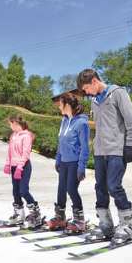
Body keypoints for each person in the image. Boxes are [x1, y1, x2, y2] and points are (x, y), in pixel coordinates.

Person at [77, 68, 132, 244]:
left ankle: (128, 226)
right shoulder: (95, 102)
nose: (86, 93)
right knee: (100, 188)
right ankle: (106, 225)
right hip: (100, 152)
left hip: (116, 151)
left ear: (94, 82)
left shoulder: (118, 93)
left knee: (114, 187)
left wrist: (129, 145)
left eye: (87, 89)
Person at [48, 93, 90, 234]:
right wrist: (58, 159)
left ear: (67, 104)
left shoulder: (82, 123)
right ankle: (60, 217)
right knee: (61, 189)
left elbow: (85, 146)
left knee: (71, 189)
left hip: (74, 162)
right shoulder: (64, 121)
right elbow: (61, 142)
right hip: (64, 162)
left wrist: (82, 166)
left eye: (60, 104)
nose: (59, 106)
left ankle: (79, 220)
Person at [3, 115, 42, 229]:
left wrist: (20, 167)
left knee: (23, 191)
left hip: (24, 166)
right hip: (14, 166)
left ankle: (35, 214)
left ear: (15, 123)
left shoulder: (26, 136)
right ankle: (19, 215)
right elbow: (10, 151)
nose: (10, 126)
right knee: (15, 192)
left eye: (10, 123)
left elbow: (26, 153)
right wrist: (7, 163)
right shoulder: (13, 135)